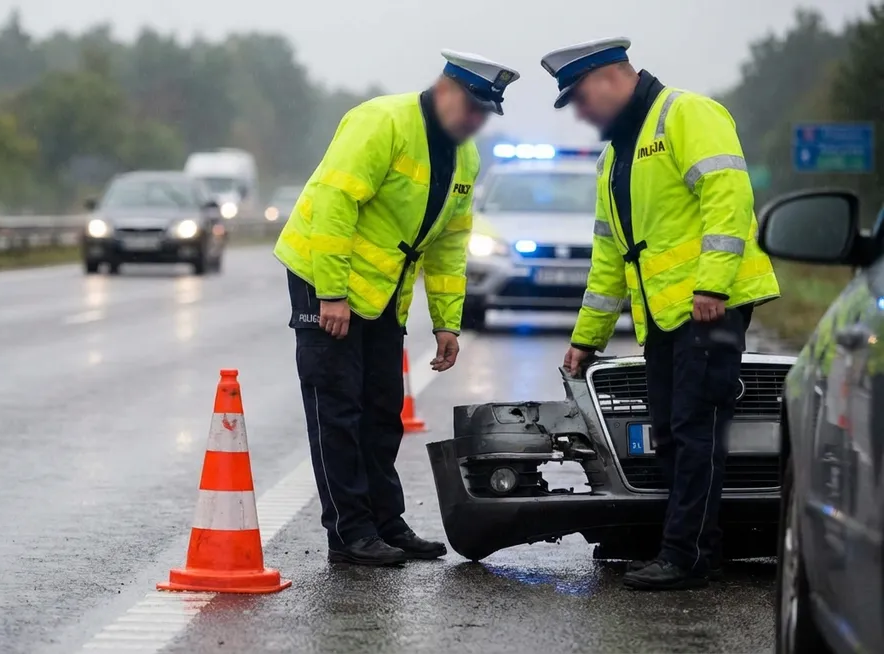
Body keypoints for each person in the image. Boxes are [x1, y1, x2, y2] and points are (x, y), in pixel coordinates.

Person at [540, 38, 780, 590]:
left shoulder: (686, 114)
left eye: (580, 99)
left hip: (706, 309)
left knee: (695, 431)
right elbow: (609, 258)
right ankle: (694, 545)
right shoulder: (616, 157)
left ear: (608, 79)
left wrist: (713, 285)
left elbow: (728, 195)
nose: (581, 112)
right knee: (672, 435)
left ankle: (686, 553)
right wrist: (587, 338)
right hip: (665, 318)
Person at [273, 50, 520, 566]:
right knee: (338, 408)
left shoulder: (464, 157)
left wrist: (448, 321)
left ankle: (386, 522)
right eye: (472, 109)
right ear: (445, 90)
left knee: (383, 410)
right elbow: (334, 205)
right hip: (325, 275)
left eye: (484, 114)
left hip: (384, 294)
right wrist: (332, 295)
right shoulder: (381, 121)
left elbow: (451, 244)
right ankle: (349, 532)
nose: (476, 121)